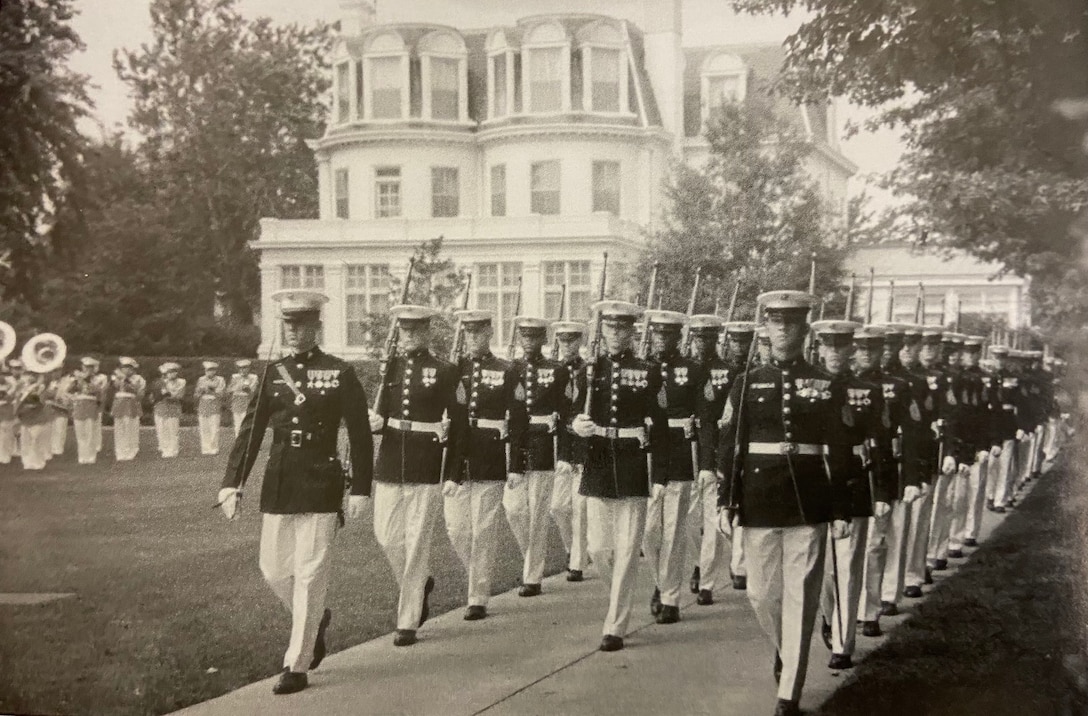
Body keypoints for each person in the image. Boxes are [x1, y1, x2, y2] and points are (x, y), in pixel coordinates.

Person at [219, 288, 372, 696]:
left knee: (309, 573)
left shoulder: (340, 372)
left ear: (317, 327)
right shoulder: (273, 373)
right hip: (281, 481)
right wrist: (232, 482)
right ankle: (315, 619)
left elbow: (360, 434)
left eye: (301, 324)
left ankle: (297, 663)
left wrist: (360, 488)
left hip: (322, 481)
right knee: (272, 570)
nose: (292, 331)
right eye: (288, 324)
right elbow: (251, 432)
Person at [716, 290, 851, 716]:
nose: (783, 330)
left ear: (804, 328)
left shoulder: (826, 383)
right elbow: (731, 446)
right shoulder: (746, 382)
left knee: (800, 598)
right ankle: (784, 648)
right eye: (776, 322)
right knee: (761, 595)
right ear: (766, 328)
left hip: (809, 503)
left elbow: (841, 448)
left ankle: (788, 692)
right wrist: (726, 500)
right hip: (759, 500)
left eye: (791, 322)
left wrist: (843, 506)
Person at [572, 300, 667, 652]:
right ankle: (619, 598)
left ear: (631, 331)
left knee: (628, 550)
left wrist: (659, 474)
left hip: (631, 462)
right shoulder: (588, 370)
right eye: (610, 328)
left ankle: (615, 624)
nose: (615, 334)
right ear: (602, 330)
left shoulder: (649, 371)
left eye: (622, 328)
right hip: (598, 461)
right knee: (598, 549)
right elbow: (573, 411)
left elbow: (659, 426)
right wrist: (575, 424)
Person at [367, 305, 460, 647]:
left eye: (415, 330)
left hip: (425, 461)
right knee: (388, 537)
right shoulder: (389, 366)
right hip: (391, 460)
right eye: (404, 330)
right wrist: (375, 423)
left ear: (427, 332)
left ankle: (407, 620)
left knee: (417, 541)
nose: (408, 336)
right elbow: (381, 414)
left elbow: (458, 425)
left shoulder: (444, 370)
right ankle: (420, 585)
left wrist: (452, 471)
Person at [812, 320, 893, 671]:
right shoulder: (807, 386)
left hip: (854, 485)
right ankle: (830, 618)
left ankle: (843, 644)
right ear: (820, 348)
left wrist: (883, 489)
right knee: (823, 571)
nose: (835, 353)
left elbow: (882, 442)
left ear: (851, 351)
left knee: (848, 568)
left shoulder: (868, 391)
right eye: (828, 346)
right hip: (815, 485)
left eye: (842, 347)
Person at [443, 309, 521, 620]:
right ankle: (478, 577)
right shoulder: (453, 369)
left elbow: (517, 419)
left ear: (489, 333)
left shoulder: (505, 369)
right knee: (457, 529)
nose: (472, 337)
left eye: (478, 332)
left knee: (484, 529)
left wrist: (515, 463)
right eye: (468, 332)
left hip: (489, 454)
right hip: (457, 458)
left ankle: (478, 596)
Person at [855, 323, 922, 635]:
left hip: (884, 470)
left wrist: (912, 477)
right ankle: (846, 611)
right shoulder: (843, 382)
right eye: (860, 348)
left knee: (879, 542)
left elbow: (911, 436)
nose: (865, 354)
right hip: (851, 474)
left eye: (872, 348)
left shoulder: (899, 385)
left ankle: (877, 604)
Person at [642, 310, 703, 624]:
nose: (662, 339)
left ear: (679, 336)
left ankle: (670, 598)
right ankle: (659, 582)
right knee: (648, 532)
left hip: (679, 452)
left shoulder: (692, 370)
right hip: (648, 453)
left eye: (669, 334)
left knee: (673, 533)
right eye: (658, 333)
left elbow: (702, 414)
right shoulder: (642, 368)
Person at [506, 316, 568, 597]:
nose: (529, 342)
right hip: (515, 444)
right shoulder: (510, 368)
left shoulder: (557, 370)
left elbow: (566, 409)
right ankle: (529, 558)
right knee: (515, 509)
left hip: (543, 444)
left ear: (543, 340)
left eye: (534, 337)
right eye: (524, 337)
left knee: (537, 514)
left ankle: (532, 576)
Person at [689, 315, 740, 603]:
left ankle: (707, 581)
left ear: (716, 339)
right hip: (685, 455)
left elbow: (727, 421)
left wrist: (719, 459)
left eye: (707, 337)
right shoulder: (682, 369)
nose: (702, 342)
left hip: (713, 454)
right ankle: (699, 562)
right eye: (698, 337)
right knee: (685, 521)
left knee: (711, 521)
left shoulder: (729, 372)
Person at [903, 327, 953, 599]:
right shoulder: (899, 380)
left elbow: (948, 414)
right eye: (920, 347)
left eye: (929, 347)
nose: (924, 352)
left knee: (922, 517)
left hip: (925, 453)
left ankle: (915, 571)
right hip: (900, 456)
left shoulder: (938, 379)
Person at [552, 320, 590, 582]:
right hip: (559, 446)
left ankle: (577, 561)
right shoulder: (552, 371)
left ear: (580, 342)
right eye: (563, 341)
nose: (567, 345)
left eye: (572, 340)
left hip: (582, 445)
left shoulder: (589, 371)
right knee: (557, 507)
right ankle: (571, 549)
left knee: (580, 507)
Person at [110, 357, 146, 461]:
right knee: (119, 428)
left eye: (128, 368)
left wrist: (127, 380)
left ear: (133, 369)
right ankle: (120, 452)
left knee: (131, 427)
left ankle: (131, 451)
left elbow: (139, 393)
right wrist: (119, 379)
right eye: (123, 367)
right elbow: (114, 387)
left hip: (131, 404)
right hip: (119, 404)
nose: (125, 370)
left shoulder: (139, 378)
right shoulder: (117, 377)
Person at [71, 357, 106, 464]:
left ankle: (91, 456)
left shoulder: (99, 379)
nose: (87, 369)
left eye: (90, 367)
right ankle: (82, 456)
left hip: (91, 407)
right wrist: (77, 382)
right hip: (79, 407)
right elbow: (69, 390)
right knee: (80, 433)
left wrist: (85, 380)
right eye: (85, 367)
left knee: (90, 432)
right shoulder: (76, 378)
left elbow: (97, 391)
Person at [16, 369, 51, 470]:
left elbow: (41, 402)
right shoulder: (22, 388)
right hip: (25, 418)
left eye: (32, 375)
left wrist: (33, 393)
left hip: (37, 418)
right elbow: (18, 401)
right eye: (27, 375)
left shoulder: (40, 387)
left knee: (36, 441)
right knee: (25, 441)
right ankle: (27, 463)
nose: (29, 377)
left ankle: (38, 462)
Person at [152, 363, 186, 458]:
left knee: (172, 429)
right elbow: (156, 396)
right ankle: (165, 448)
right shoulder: (161, 382)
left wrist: (167, 394)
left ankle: (173, 450)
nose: (172, 374)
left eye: (174, 371)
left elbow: (178, 395)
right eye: (169, 372)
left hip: (173, 408)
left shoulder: (181, 382)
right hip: (161, 407)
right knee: (162, 429)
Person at [195, 361, 227, 455]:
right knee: (204, 427)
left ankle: (214, 448)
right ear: (205, 371)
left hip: (214, 404)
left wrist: (210, 390)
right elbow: (196, 394)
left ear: (215, 371)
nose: (210, 372)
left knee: (214, 427)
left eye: (212, 370)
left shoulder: (220, 379)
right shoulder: (201, 379)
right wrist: (201, 391)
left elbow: (221, 393)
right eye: (208, 370)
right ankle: (205, 448)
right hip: (203, 405)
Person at [228, 359, 258, 437]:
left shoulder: (253, 377)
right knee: (237, 425)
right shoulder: (235, 377)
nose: (242, 370)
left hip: (248, 403)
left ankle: (247, 443)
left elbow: (252, 391)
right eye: (240, 368)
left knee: (247, 424)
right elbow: (229, 390)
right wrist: (236, 387)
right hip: (236, 403)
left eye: (245, 368)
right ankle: (238, 441)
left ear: (249, 368)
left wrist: (246, 389)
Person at [47, 369, 72, 457]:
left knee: (60, 428)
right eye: (54, 371)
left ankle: (58, 449)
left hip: (62, 409)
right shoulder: (51, 383)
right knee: (52, 428)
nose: (55, 373)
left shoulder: (67, 381)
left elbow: (68, 395)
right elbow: (48, 395)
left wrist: (60, 395)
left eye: (57, 371)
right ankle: (51, 448)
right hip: (52, 409)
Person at [0, 358, 21, 464]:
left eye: (3, 373)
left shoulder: (11, 382)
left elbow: (10, 397)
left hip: (7, 411)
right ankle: (4, 454)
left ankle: (5, 455)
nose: (2, 376)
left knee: (7, 434)